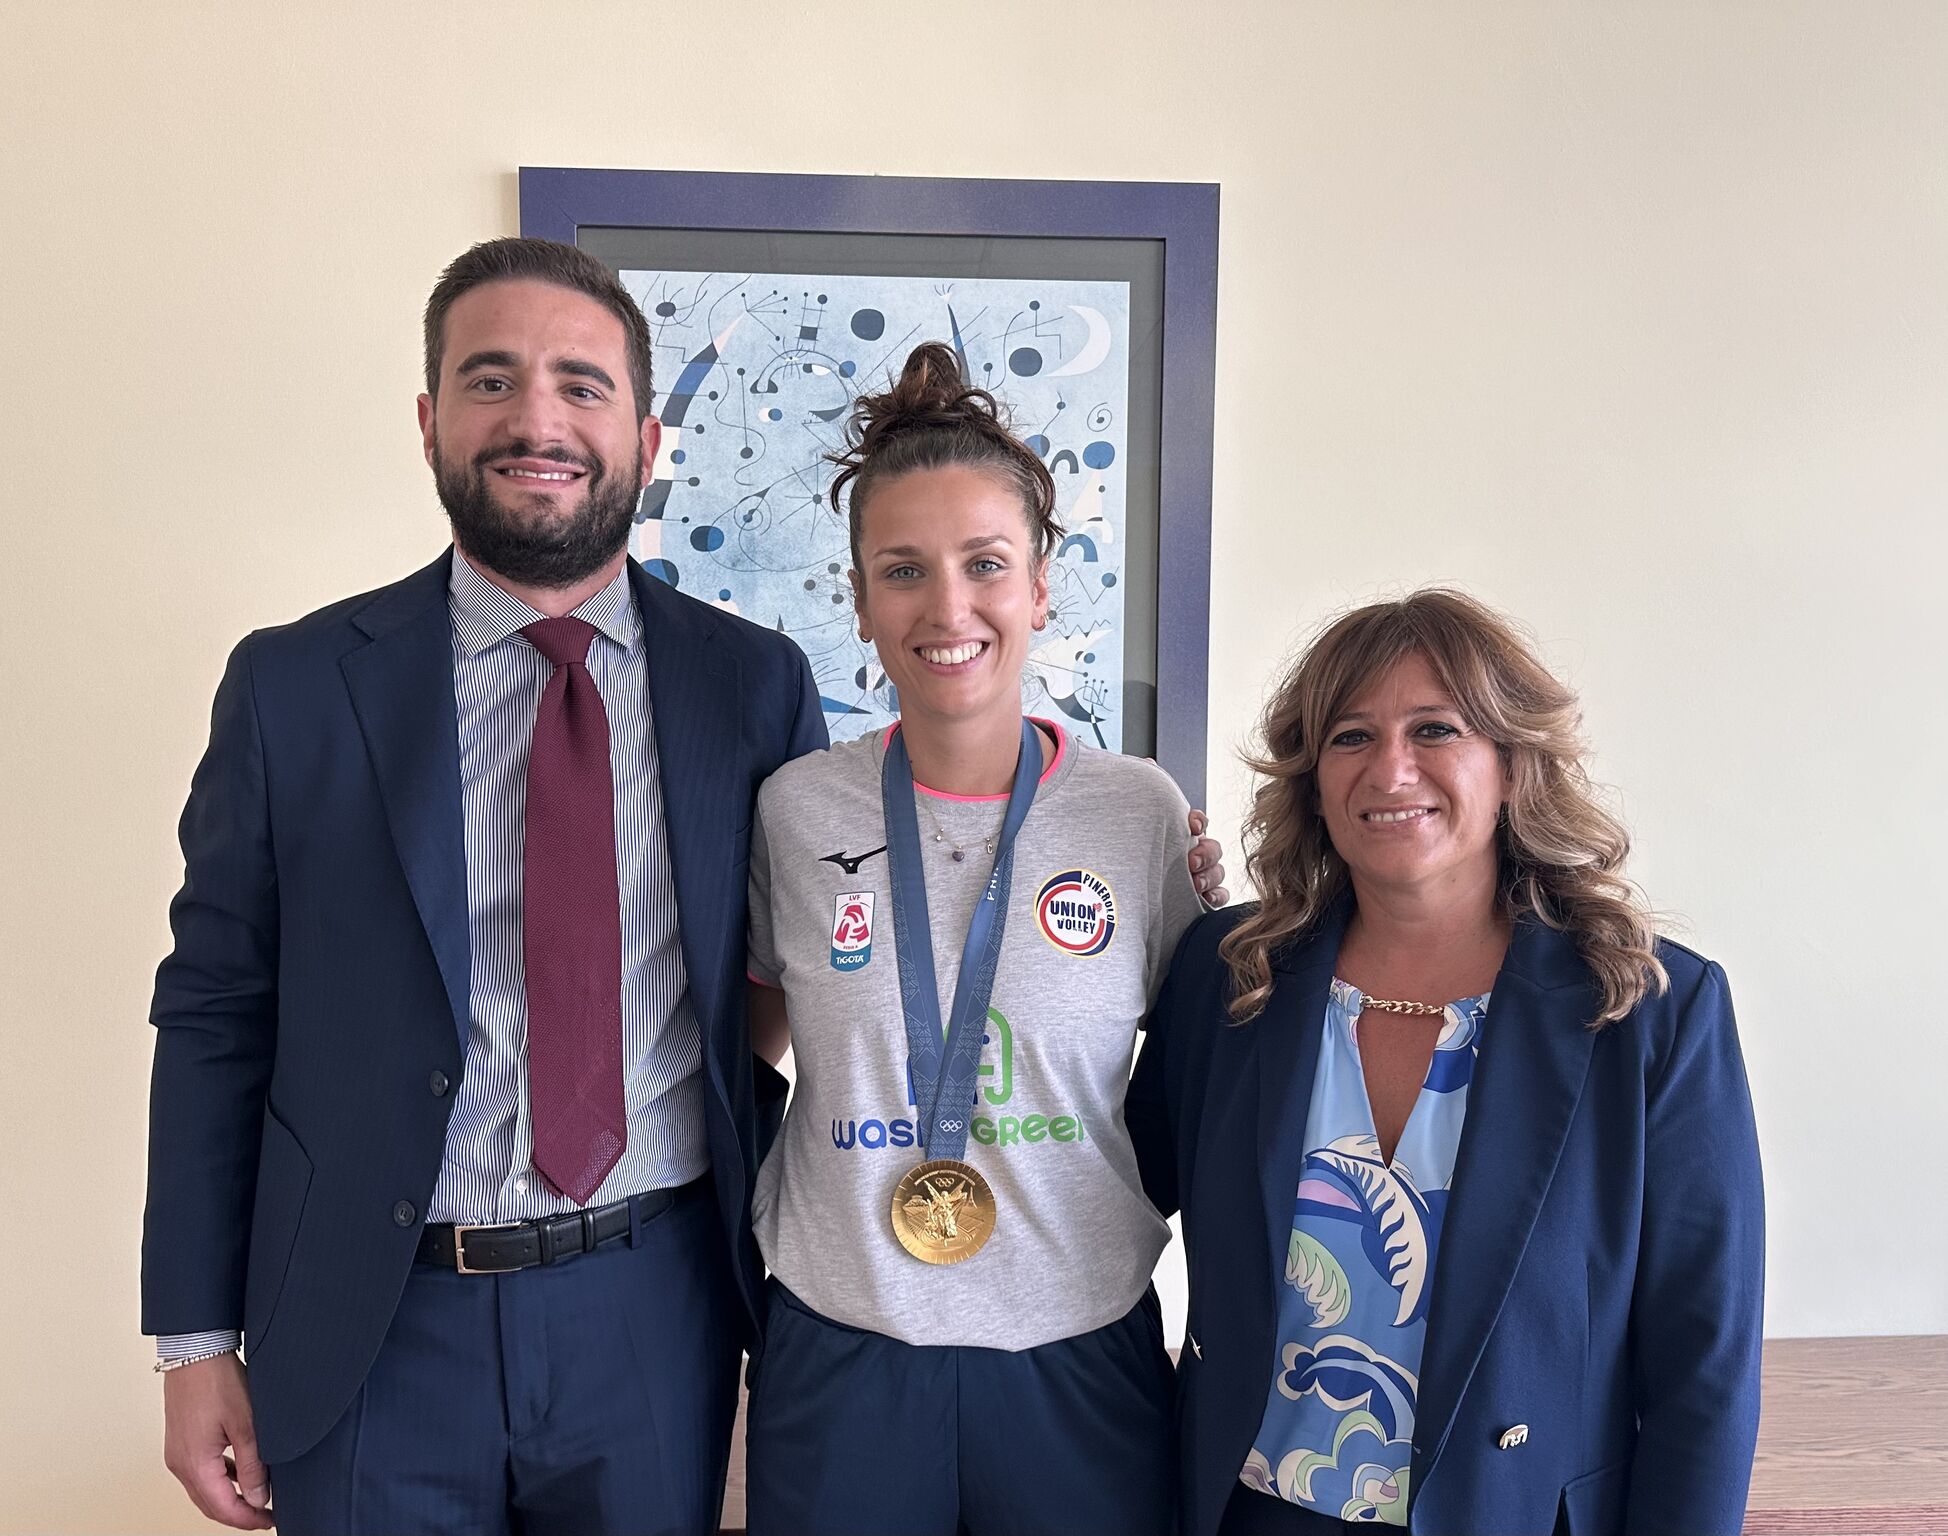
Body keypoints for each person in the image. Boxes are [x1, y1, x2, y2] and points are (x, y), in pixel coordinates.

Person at [140, 237, 829, 1535]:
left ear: (646, 433)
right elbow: (216, 1016)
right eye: (491, 379)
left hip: (660, 1311)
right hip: (374, 1320)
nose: (536, 419)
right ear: (428, 420)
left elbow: (823, 953)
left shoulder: (755, 686)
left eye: (582, 384)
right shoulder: (295, 690)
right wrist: (192, 1342)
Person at [1129, 590, 1763, 1536]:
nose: (1392, 769)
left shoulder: (1646, 1009)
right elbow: (1111, 1198)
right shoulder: (1230, 980)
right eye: (1350, 736)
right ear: (1312, 776)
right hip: (1249, 1512)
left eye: (1437, 728)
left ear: (1511, 764)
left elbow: (1704, 1364)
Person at [738, 343, 1209, 1536]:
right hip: (845, 1346)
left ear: (1041, 587)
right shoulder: (794, 810)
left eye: (984, 565)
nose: (946, 609)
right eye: (903, 570)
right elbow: (740, 1048)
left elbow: (1206, 1071)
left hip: (1075, 1347)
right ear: (856, 599)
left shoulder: (1137, 809)